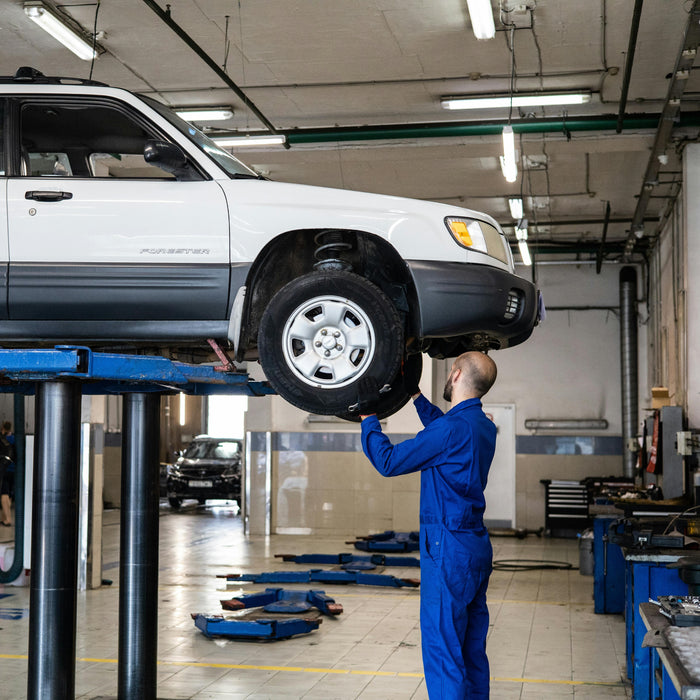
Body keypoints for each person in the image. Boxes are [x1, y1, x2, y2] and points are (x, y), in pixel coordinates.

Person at [360, 351, 498, 699]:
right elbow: (442, 429)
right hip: (475, 547)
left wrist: (367, 419)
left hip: (447, 547)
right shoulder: (482, 426)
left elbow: (389, 462)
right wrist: (415, 396)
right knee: (471, 651)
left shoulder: (451, 430)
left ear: (454, 375)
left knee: (444, 652)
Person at [0, 421, 16, 527]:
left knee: (3, 494)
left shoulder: (2, 439)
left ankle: (8, 519)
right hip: (14, 470)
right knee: (9, 495)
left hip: (4, 470)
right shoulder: (15, 439)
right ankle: (5, 517)